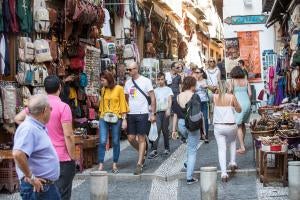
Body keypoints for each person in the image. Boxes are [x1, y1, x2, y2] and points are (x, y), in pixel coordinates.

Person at [15, 75, 75, 200]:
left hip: (46, 177)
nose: (51, 110)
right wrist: (72, 156)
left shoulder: (37, 106)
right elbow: (68, 135)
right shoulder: (60, 107)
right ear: (60, 88)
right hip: (61, 157)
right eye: (50, 110)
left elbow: (17, 118)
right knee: (64, 193)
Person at [13, 94, 60, 200]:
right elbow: (18, 154)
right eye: (50, 108)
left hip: (44, 187)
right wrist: (31, 177)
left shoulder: (36, 126)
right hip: (38, 188)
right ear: (44, 110)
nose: (51, 111)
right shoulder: (29, 128)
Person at [124, 61, 156, 175]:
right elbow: (126, 100)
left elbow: (152, 97)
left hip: (143, 113)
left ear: (136, 69)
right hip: (131, 113)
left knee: (141, 138)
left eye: (131, 69)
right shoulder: (127, 83)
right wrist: (124, 116)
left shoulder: (146, 81)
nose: (129, 71)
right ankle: (143, 151)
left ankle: (139, 164)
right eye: (128, 69)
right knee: (131, 138)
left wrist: (153, 113)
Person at [98, 71, 129, 173]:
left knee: (115, 141)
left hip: (116, 117)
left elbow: (123, 104)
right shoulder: (103, 90)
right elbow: (102, 104)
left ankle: (114, 164)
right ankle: (101, 165)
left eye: (103, 80)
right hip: (104, 117)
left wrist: (124, 119)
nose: (102, 82)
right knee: (102, 141)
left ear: (108, 79)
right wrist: (100, 116)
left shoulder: (119, 89)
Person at [172, 76, 200, 185]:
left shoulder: (178, 96)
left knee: (189, 145)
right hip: (192, 124)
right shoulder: (195, 96)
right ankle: (189, 177)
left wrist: (173, 130)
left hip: (181, 124)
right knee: (193, 150)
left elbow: (175, 114)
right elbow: (198, 113)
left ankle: (187, 163)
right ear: (193, 85)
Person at [213, 81, 241, 182]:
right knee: (232, 142)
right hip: (231, 125)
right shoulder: (231, 97)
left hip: (218, 126)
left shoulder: (214, 97)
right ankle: (233, 162)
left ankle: (224, 173)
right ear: (227, 87)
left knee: (221, 149)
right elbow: (239, 110)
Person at [148, 72, 173, 159]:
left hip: (165, 111)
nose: (160, 81)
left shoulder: (168, 89)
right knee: (157, 130)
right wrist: (152, 112)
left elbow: (170, 100)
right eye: (158, 79)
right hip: (157, 112)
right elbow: (152, 101)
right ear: (156, 80)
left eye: (162, 79)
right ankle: (154, 149)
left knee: (165, 130)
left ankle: (167, 148)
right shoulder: (155, 90)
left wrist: (169, 109)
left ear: (165, 79)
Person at [229, 66, 252, 154]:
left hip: (238, 104)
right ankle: (242, 144)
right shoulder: (246, 81)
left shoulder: (232, 81)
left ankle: (242, 147)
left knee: (238, 126)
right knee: (243, 124)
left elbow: (230, 92)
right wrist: (249, 103)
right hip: (247, 103)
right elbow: (250, 94)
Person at [192, 68, 212, 143]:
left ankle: (206, 136)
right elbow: (191, 90)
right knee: (198, 119)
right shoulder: (194, 81)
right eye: (195, 72)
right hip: (196, 102)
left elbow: (213, 89)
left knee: (205, 119)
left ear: (201, 73)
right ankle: (201, 135)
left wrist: (207, 86)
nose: (196, 74)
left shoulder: (205, 80)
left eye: (197, 72)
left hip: (204, 101)